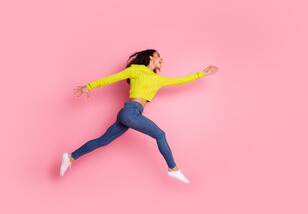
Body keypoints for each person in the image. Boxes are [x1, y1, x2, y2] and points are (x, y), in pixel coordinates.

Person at [60, 49, 218, 183]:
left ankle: (70, 156)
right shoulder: (135, 70)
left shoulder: (158, 79)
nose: (161, 59)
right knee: (160, 134)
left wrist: (202, 73)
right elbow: (111, 78)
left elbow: (179, 81)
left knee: (103, 140)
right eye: (158, 56)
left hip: (130, 115)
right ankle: (173, 169)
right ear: (151, 57)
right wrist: (89, 86)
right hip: (130, 112)